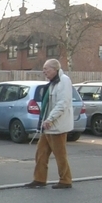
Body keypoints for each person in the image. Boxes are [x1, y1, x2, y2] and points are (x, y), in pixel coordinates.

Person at [25, 59, 74, 189]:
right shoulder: (53, 82)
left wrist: (50, 119)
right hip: (48, 126)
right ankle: (39, 179)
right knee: (41, 153)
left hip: (57, 125)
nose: (44, 71)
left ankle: (65, 180)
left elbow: (62, 103)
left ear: (55, 69)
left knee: (60, 155)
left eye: (46, 69)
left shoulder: (63, 81)